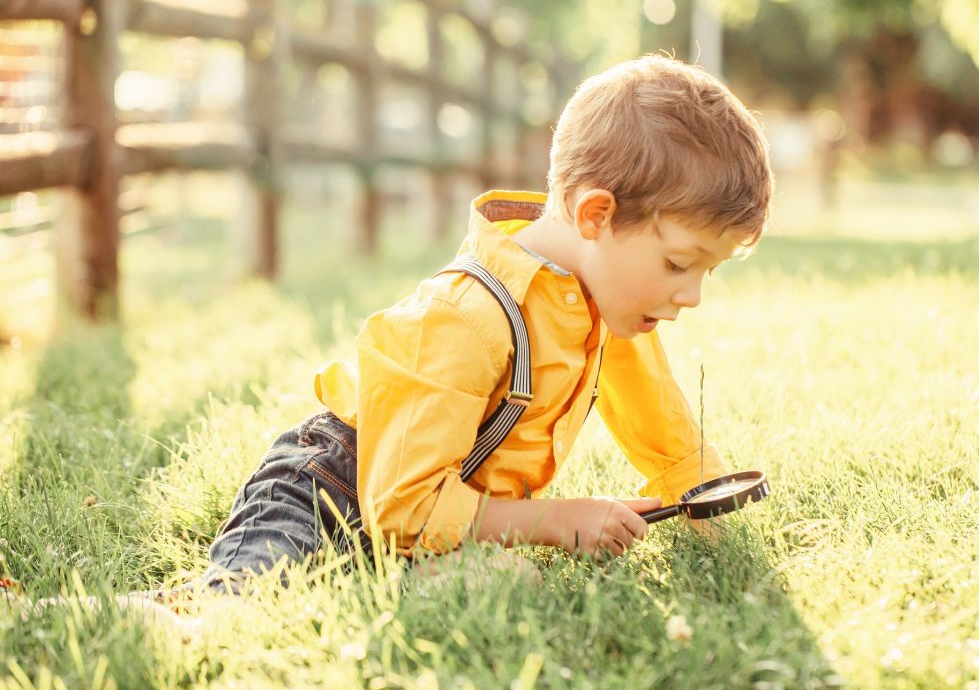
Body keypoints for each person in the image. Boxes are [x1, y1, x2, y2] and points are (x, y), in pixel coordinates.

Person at [202, 54, 775, 592]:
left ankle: (393, 583)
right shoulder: (467, 317)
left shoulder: (609, 308)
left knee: (506, 578)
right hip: (331, 487)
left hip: (438, 514)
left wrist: (708, 506)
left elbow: (665, 431)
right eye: (678, 263)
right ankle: (152, 618)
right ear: (596, 215)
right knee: (245, 599)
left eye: (708, 271)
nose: (693, 295)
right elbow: (402, 502)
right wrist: (552, 519)